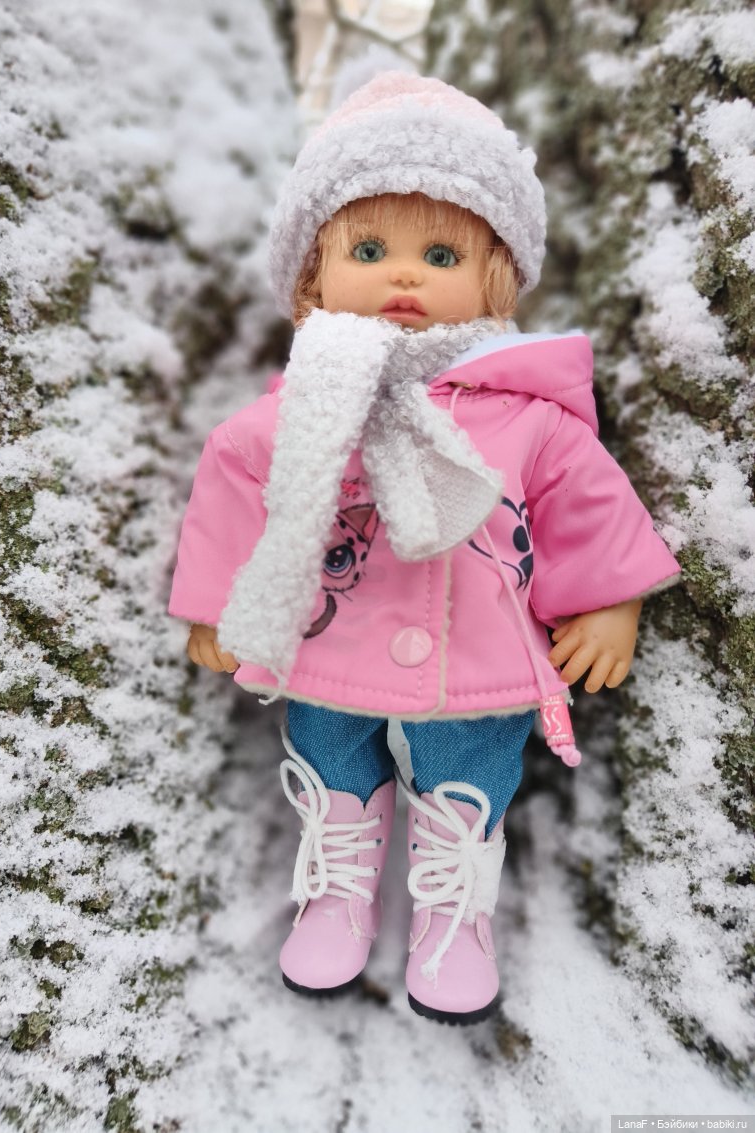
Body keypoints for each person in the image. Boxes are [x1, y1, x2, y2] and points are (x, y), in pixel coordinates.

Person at [169, 72, 680, 1024]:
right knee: (330, 754)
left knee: (468, 772)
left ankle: (455, 903)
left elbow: (588, 501)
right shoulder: (311, 401)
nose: (404, 276)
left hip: (480, 651)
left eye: (440, 253)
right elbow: (236, 477)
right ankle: (339, 883)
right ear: (314, 275)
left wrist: (612, 599)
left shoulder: (528, 412)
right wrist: (213, 602)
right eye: (369, 250)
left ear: (494, 278)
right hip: (329, 640)